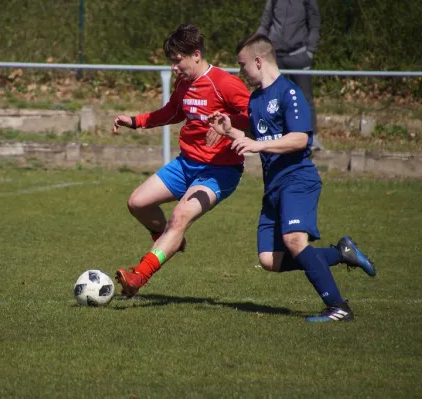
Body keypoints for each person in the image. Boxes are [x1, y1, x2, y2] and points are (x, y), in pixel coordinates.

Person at [207, 34, 376, 323]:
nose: (241, 72)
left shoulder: (290, 93)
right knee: (270, 259)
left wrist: (258, 145)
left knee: (295, 240)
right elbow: (260, 137)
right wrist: (230, 132)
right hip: (273, 185)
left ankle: (339, 307)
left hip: (297, 179)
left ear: (258, 61)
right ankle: (341, 254)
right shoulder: (257, 99)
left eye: (242, 64)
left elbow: (299, 139)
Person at [112, 23, 250, 298]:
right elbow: (173, 112)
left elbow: (256, 117)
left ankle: (139, 277)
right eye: (171, 62)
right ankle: (171, 241)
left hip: (220, 171)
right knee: (137, 203)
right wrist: (136, 122)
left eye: (178, 61)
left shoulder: (225, 83)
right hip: (186, 164)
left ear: (196, 55)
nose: (174, 67)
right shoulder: (184, 84)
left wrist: (228, 123)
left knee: (179, 216)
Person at [256, 0, 323, 151]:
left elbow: (315, 25)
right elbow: (264, 24)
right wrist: (255, 48)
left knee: (305, 97)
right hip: (274, 56)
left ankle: (313, 138)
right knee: (269, 96)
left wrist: (310, 51)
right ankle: (267, 134)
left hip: (299, 54)